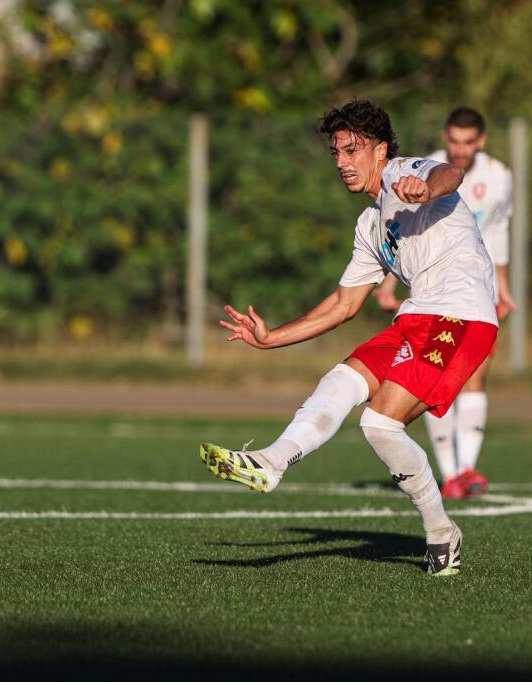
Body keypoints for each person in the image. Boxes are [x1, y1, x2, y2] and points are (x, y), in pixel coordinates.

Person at [198, 99, 499, 576]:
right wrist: (271, 337)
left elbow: (450, 175)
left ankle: (442, 532)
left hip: (462, 318)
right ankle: (272, 462)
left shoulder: (406, 171)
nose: (341, 161)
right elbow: (343, 305)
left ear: (380, 151)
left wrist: (424, 188)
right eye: (336, 152)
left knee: (379, 425)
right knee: (341, 380)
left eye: (351, 150)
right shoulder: (369, 225)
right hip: (416, 316)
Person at [373, 107, 516, 500]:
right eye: (453, 140)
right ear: (445, 137)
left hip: (479, 284)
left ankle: (466, 468)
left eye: (468, 142)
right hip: (436, 285)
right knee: (437, 376)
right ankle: (450, 472)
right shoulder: (427, 169)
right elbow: (403, 228)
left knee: (476, 373)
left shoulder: (499, 176)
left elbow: (499, 231)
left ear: (481, 142)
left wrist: (502, 286)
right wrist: (387, 282)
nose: (459, 149)